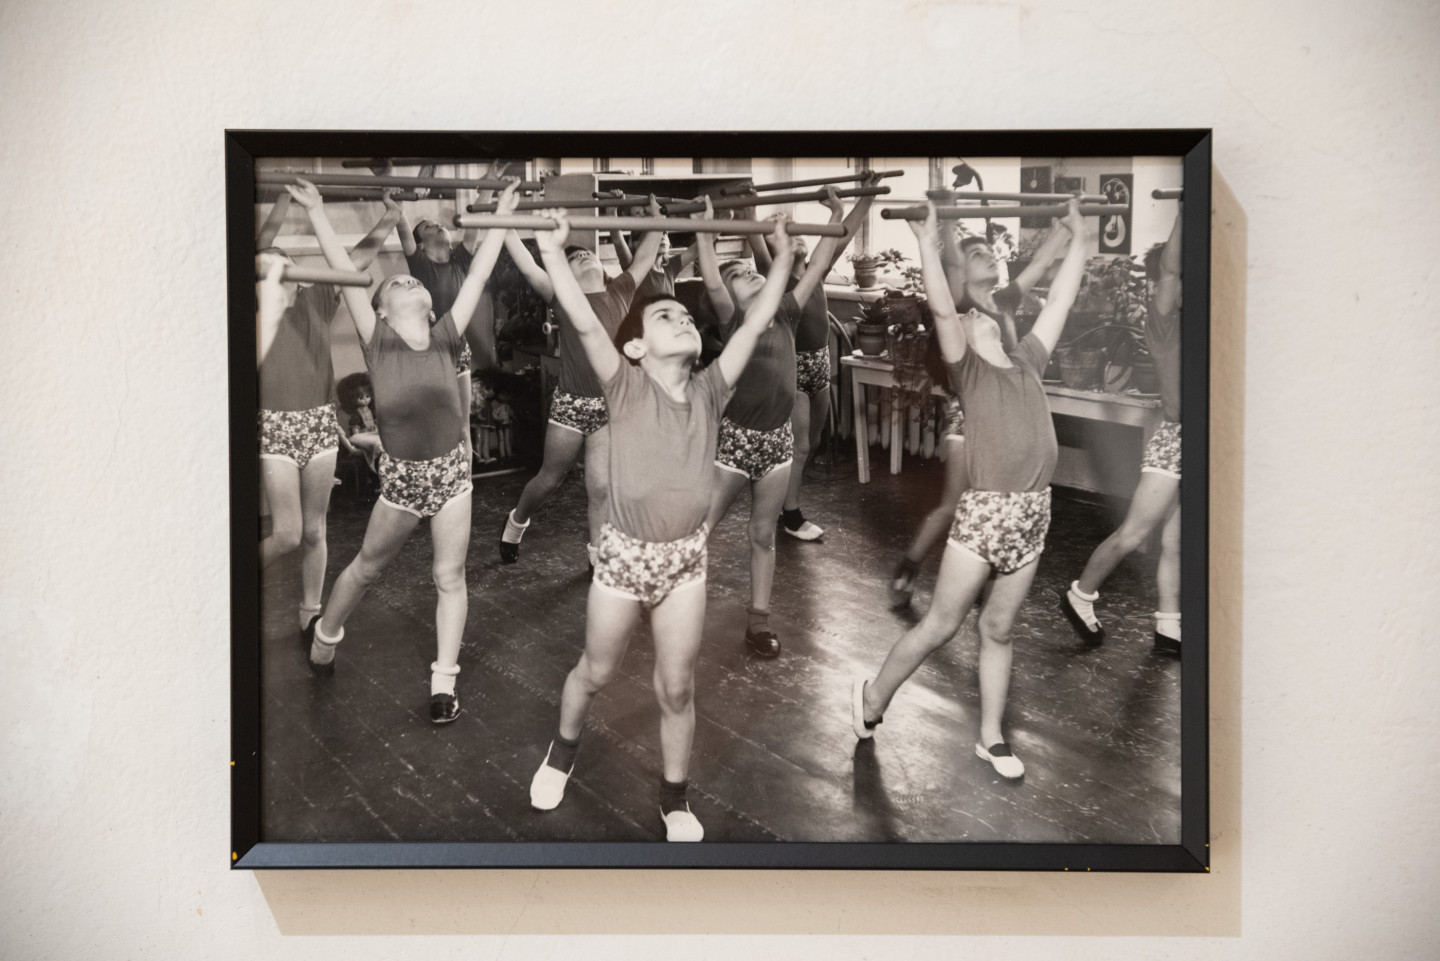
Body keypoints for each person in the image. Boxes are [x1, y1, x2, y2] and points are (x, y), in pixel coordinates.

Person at [527, 208, 797, 841]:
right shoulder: (623, 386)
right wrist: (552, 250)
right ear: (635, 348)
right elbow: (586, 324)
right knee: (595, 673)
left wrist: (783, 256)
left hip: (685, 564)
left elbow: (757, 320)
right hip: (623, 559)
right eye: (663, 316)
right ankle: (561, 754)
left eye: (684, 315)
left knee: (677, 688)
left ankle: (675, 797)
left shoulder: (711, 390)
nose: (681, 318)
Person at [852, 198, 1090, 781]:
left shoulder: (1027, 358)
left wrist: (1080, 236)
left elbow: (1062, 297)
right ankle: (873, 697)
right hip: (986, 515)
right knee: (942, 624)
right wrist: (927, 243)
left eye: (978, 315)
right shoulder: (970, 371)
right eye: (964, 320)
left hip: (1034, 516)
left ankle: (991, 737)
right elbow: (941, 306)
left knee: (999, 629)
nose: (973, 315)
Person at [294, 177, 519, 724]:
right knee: (366, 569)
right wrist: (317, 211)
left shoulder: (446, 336)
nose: (407, 279)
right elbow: (344, 270)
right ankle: (325, 635)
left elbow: (479, 273)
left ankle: (444, 683)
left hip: (452, 478)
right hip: (402, 483)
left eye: (411, 278)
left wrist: (504, 213)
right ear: (383, 311)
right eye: (395, 281)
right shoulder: (378, 342)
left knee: (449, 577)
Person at [889, 200, 1076, 606]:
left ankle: (984, 581)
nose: (989, 255)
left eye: (990, 251)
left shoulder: (1003, 300)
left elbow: (1041, 263)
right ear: (960, 270)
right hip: (967, 415)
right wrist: (944, 224)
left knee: (992, 504)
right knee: (954, 504)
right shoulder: (960, 306)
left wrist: (1066, 227)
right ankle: (910, 565)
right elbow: (944, 287)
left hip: (1004, 412)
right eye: (977, 254)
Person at [696, 191, 845, 657]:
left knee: (763, 534)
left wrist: (836, 214)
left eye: (750, 268)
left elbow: (818, 266)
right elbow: (711, 280)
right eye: (737, 275)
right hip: (736, 443)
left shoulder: (787, 311)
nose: (748, 272)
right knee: (700, 528)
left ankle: (758, 622)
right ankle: (662, 588)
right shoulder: (734, 321)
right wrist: (705, 229)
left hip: (777, 444)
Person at [256, 192, 399, 635]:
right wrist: (282, 202)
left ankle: (309, 612)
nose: (274, 276)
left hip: (318, 424)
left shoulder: (317, 296)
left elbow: (358, 259)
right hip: (275, 428)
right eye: (264, 271)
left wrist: (391, 215)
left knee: (315, 531)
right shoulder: (254, 314)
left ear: (299, 279)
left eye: (283, 268)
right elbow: (255, 245)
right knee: (287, 534)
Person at [497, 199, 664, 571]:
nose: (584, 256)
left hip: (610, 407)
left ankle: (597, 558)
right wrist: (503, 221)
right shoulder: (562, 297)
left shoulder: (620, 290)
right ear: (564, 275)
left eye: (588, 253)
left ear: (604, 269)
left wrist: (657, 219)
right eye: (573, 258)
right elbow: (527, 263)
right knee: (549, 479)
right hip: (572, 405)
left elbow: (645, 256)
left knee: (600, 487)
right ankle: (516, 522)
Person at [1061, 208, 1183, 655]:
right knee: (1134, 534)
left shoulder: (1203, 324)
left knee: (1176, 542)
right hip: (1176, 443)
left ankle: (1169, 623)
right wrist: (1185, 210)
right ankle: (1081, 594)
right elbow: (1170, 269)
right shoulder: (1164, 322)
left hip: (1201, 443)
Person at [746, 177, 877, 541]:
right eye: (787, 233)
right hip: (789, 366)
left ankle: (780, 497)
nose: (797, 236)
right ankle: (791, 515)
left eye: (798, 231)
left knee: (812, 441)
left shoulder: (818, 269)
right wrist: (749, 206)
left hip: (819, 363)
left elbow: (842, 233)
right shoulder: (774, 273)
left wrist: (866, 198)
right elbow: (753, 233)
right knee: (800, 445)